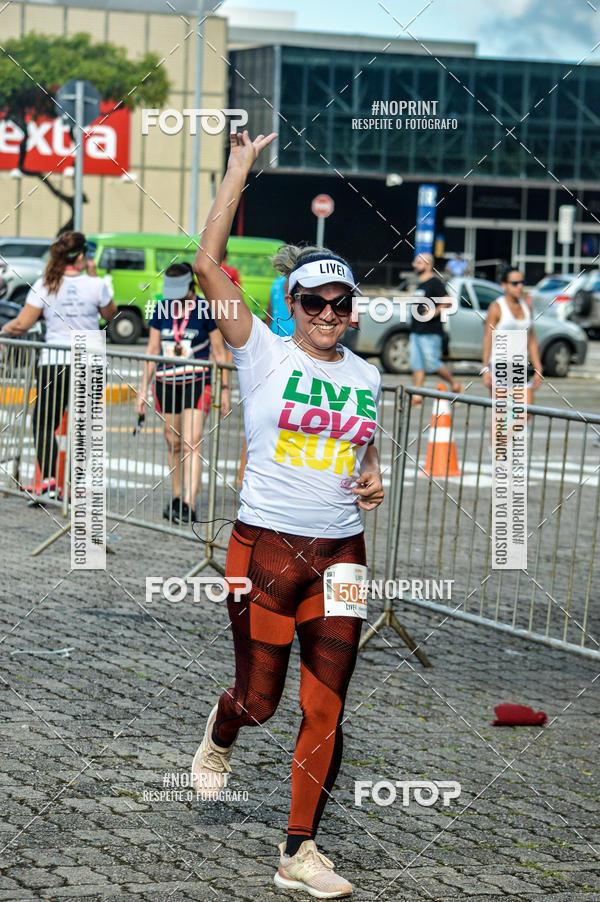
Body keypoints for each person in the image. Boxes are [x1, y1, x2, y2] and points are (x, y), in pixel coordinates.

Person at [191, 129, 384, 899]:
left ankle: (299, 849)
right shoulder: (263, 351)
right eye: (316, 302)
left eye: (342, 303)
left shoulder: (367, 376)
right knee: (263, 701)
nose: (330, 314)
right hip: (264, 549)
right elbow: (209, 265)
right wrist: (239, 169)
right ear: (293, 306)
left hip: (342, 554)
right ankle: (222, 727)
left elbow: (364, 458)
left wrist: (373, 482)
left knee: (327, 701)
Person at [0, 231, 117, 498]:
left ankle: (51, 480)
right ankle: (79, 485)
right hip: (91, 362)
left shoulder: (45, 284)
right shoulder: (96, 285)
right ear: (83, 256)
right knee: (84, 425)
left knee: (43, 423)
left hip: (55, 361)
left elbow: (22, 324)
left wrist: (4, 331)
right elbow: (111, 315)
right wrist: (94, 275)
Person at [137, 262, 230, 524]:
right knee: (173, 442)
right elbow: (152, 348)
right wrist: (142, 390)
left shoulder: (204, 309)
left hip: (197, 381)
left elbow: (219, 351)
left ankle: (190, 502)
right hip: (166, 383)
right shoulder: (161, 308)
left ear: (192, 287)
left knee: (192, 442)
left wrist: (224, 389)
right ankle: (177, 497)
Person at [482, 265, 543, 408]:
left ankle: (512, 430)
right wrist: (485, 369)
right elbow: (488, 338)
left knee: (526, 411)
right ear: (504, 285)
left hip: (521, 366)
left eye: (522, 282)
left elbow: (532, 340)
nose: (520, 287)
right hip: (500, 365)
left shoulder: (527, 307)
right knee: (502, 420)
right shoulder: (496, 307)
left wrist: (538, 368)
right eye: (515, 283)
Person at [410, 252, 463, 406]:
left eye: (419, 262)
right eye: (416, 262)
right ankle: (417, 396)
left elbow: (449, 300)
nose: (415, 265)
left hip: (430, 331)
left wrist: (434, 312)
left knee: (432, 363)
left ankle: (455, 384)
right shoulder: (420, 284)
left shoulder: (434, 283)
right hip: (416, 330)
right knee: (417, 364)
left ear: (428, 265)